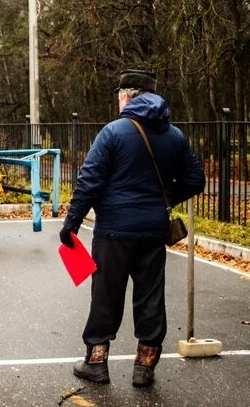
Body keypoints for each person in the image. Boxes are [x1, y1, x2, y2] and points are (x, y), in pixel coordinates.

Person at [59, 69, 205, 387]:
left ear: (127, 96)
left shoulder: (113, 133)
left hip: (113, 232)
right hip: (153, 232)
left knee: (106, 296)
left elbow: (89, 182)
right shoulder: (174, 136)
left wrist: (71, 223)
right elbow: (196, 180)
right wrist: (164, 200)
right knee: (150, 298)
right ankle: (145, 368)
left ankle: (96, 363)